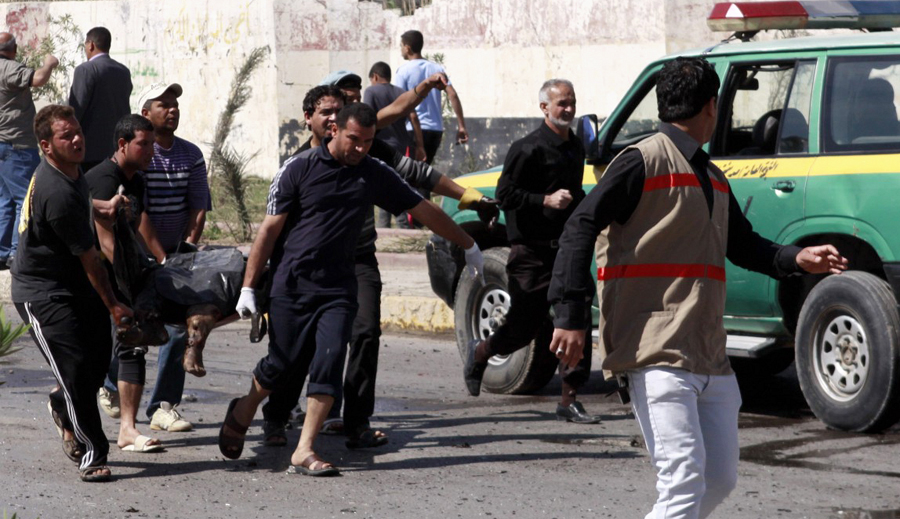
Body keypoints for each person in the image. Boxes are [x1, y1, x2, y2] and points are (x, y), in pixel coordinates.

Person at [547, 57, 848, 518]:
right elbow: (579, 227)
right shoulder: (639, 161)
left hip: (708, 351)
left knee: (719, 479)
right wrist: (569, 315)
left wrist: (796, 258)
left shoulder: (712, 176)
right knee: (684, 483)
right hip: (655, 349)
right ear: (712, 106)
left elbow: (743, 245)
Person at [220, 102, 484, 476]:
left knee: (329, 360)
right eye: (354, 140)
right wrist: (248, 287)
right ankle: (245, 408)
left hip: (338, 289)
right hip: (292, 284)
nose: (360, 148)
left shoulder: (374, 172)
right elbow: (268, 231)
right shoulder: (298, 169)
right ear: (334, 131)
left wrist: (467, 244)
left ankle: (304, 449)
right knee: (282, 364)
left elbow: (423, 209)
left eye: (368, 141)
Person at [463, 79, 601, 424]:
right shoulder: (527, 149)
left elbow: (573, 194)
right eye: (561, 104)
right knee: (522, 329)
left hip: (567, 252)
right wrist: (544, 200)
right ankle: (481, 352)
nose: (568, 109)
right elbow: (505, 195)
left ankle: (569, 398)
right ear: (544, 108)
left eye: (571, 102)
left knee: (576, 317)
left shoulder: (576, 146)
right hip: (532, 253)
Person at [12, 104, 134, 482]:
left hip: (72, 285)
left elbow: (81, 205)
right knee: (76, 370)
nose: (78, 139)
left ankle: (62, 405)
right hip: (42, 293)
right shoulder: (56, 190)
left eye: (78, 131)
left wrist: (102, 206)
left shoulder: (68, 172)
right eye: (68, 136)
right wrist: (113, 303)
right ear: (47, 146)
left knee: (96, 361)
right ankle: (93, 452)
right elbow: (91, 260)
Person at [98, 83, 211, 433]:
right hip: (140, 255)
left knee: (179, 324)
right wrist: (158, 257)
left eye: (176, 103)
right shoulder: (137, 154)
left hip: (175, 254)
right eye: (164, 104)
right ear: (145, 113)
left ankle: (163, 405)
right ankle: (111, 384)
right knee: (130, 323)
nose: (173, 110)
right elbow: (139, 214)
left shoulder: (190, 155)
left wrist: (186, 248)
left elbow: (198, 207)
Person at [86, 114, 167, 454]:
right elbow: (106, 244)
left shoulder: (137, 180)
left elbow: (132, 232)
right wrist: (125, 292)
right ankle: (63, 403)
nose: (151, 150)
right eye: (143, 144)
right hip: (93, 279)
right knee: (91, 356)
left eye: (152, 143)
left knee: (132, 345)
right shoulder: (104, 180)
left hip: (122, 273)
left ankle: (128, 430)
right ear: (122, 145)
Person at [0, 32, 58, 270]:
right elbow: (39, 79)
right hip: (17, 146)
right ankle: (16, 252)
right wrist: (49, 62)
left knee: (5, 201)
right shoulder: (9, 68)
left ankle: (3, 251)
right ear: (13, 49)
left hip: (3, 146)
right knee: (26, 199)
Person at [364, 61, 424, 228]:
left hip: (379, 145)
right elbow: (413, 118)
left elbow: (367, 117)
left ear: (375, 76)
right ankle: (403, 225)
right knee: (396, 184)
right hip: (401, 145)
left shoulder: (371, 91)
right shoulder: (401, 92)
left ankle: (384, 226)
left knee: (380, 184)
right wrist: (420, 145)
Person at [394, 30, 468, 165]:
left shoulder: (403, 71)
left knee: (410, 175)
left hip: (413, 131)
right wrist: (461, 126)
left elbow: (401, 103)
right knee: (424, 172)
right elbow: (452, 94)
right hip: (436, 130)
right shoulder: (436, 68)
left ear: (407, 48)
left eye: (401, 46)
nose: (400, 50)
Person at [68, 26, 134, 173]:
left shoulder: (85, 70)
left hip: (89, 152)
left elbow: (75, 110)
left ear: (91, 44)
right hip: (117, 150)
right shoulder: (123, 71)